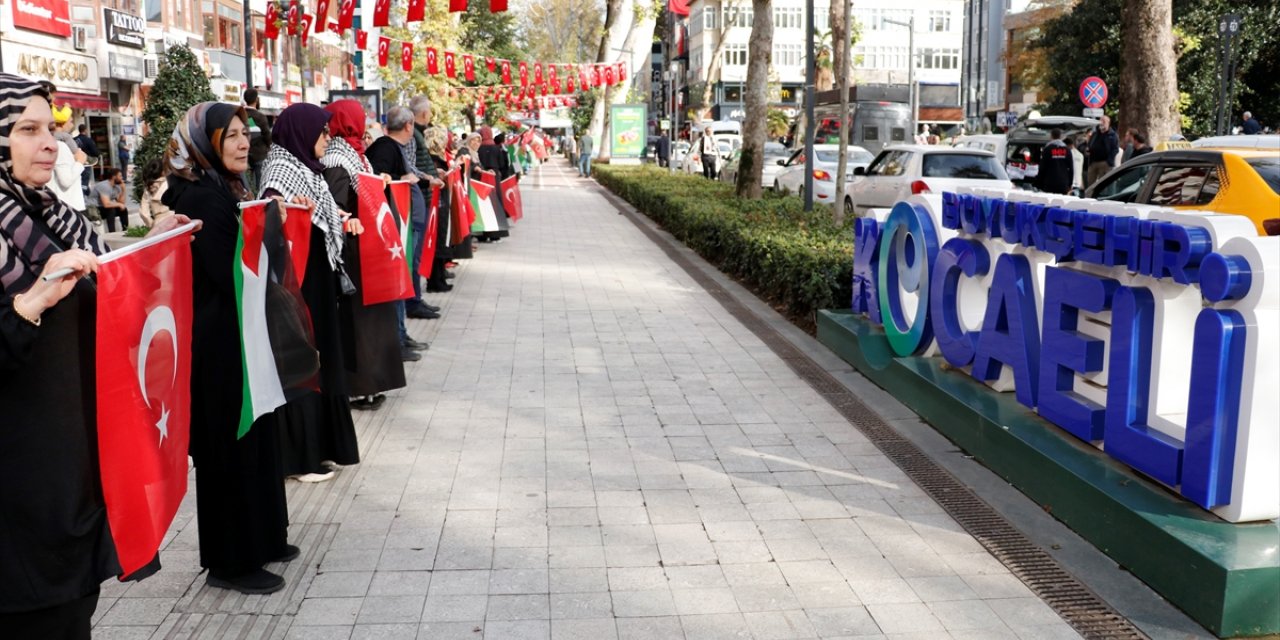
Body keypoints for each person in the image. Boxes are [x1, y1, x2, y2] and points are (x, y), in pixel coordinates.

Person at [0, 75, 194, 635]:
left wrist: (149, 243)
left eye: (51, 129)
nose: (50, 143)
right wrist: (32, 301)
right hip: (20, 487)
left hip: (73, 466)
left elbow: (96, 281)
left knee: (73, 611)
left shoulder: (45, 212)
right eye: (27, 130)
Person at [162, 101, 296, 594]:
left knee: (258, 433)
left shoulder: (227, 186)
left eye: (246, 133)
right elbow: (225, 271)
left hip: (242, 334)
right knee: (230, 446)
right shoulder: (200, 196)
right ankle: (231, 561)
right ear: (205, 143)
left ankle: (263, 538)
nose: (244, 142)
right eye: (231, 136)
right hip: (219, 344)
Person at [257, 103, 361, 483]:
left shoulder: (307, 169)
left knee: (323, 359)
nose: (327, 137)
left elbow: (323, 213)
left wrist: (337, 217)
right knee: (305, 360)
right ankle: (303, 456)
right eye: (321, 131)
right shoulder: (281, 170)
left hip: (318, 281)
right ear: (301, 133)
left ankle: (324, 448)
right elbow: (270, 216)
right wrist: (286, 212)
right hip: (298, 286)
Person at [321, 99, 406, 411]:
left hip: (371, 248)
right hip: (355, 251)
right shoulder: (338, 159)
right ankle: (362, 387)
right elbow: (337, 204)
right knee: (360, 320)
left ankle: (375, 382)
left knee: (373, 318)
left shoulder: (357, 155)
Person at [365, 106, 430, 362]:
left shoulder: (393, 147)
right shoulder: (384, 147)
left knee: (403, 280)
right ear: (409, 125)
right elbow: (377, 179)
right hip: (395, 226)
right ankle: (397, 339)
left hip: (403, 223)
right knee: (397, 281)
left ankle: (401, 335)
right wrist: (398, 178)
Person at [406, 96, 445, 319]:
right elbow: (410, 166)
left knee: (419, 254)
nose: (430, 115)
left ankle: (416, 298)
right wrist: (428, 178)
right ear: (423, 113)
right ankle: (413, 301)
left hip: (423, 195)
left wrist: (430, 175)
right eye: (429, 111)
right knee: (415, 254)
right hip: (417, 198)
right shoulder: (414, 134)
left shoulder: (418, 133)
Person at [49, 103, 88, 214]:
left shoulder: (52, 144)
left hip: (63, 206)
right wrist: (80, 162)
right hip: (70, 207)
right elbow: (66, 181)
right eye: (70, 121)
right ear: (60, 123)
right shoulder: (60, 146)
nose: (72, 125)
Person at [243, 88, 273, 192]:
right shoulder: (260, 117)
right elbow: (267, 136)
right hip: (259, 154)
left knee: (245, 182)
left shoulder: (240, 115)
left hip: (244, 154)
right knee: (261, 184)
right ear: (256, 100)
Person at [1034, 128, 1073, 195]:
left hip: (1049, 184)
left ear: (1051, 136)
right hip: (1063, 184)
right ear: (1060, 136)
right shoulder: (1067, 150)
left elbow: (1042, 168)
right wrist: (1069, 184)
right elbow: (1071, 169)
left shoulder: (1047, 149)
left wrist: (1038, 183)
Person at [1085, 115, 1119, 188]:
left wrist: (1109, 161)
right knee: (1090, 183)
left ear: (1108, 123)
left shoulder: (1112, 135)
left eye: (1104, 121)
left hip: (1105, 162)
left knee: (1102, 185)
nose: (1101, 123)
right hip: (1093, 161)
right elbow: (1090, 144)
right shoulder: (1095, 134)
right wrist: (1089, 150)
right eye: (1101, 121)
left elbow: (1115, 149)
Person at [137, 158, 172, 227]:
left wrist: (152, 224)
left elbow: (143, 213)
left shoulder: (148, 189)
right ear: (162, 171)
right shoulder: (170, 182)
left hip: (158, 222)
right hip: (173, 219)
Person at [93, 168, 129, 232]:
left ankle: (126, 230)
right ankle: (112, 233)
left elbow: (121, 202)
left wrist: (123, 190)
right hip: (94, 209)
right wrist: (119, 204)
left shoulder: (116, 186)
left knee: (123, 209)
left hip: (103, 208)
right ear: (114, 177)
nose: (122, 178)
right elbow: (106, 204)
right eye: (120, 176)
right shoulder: (104, 186)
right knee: (110, 210)